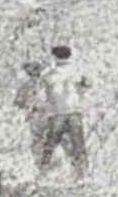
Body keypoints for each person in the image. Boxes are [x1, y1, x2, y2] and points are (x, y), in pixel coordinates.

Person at [38, 45, 91, 181]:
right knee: (78, 143)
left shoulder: (48, 76)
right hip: (74, 110)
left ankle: (44, 171)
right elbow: (87, 85)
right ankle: (83, 173)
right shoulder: (77, 73)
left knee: (51, 142)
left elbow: (41, 95)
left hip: (57, 112)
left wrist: (44, 109)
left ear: (55, 57)